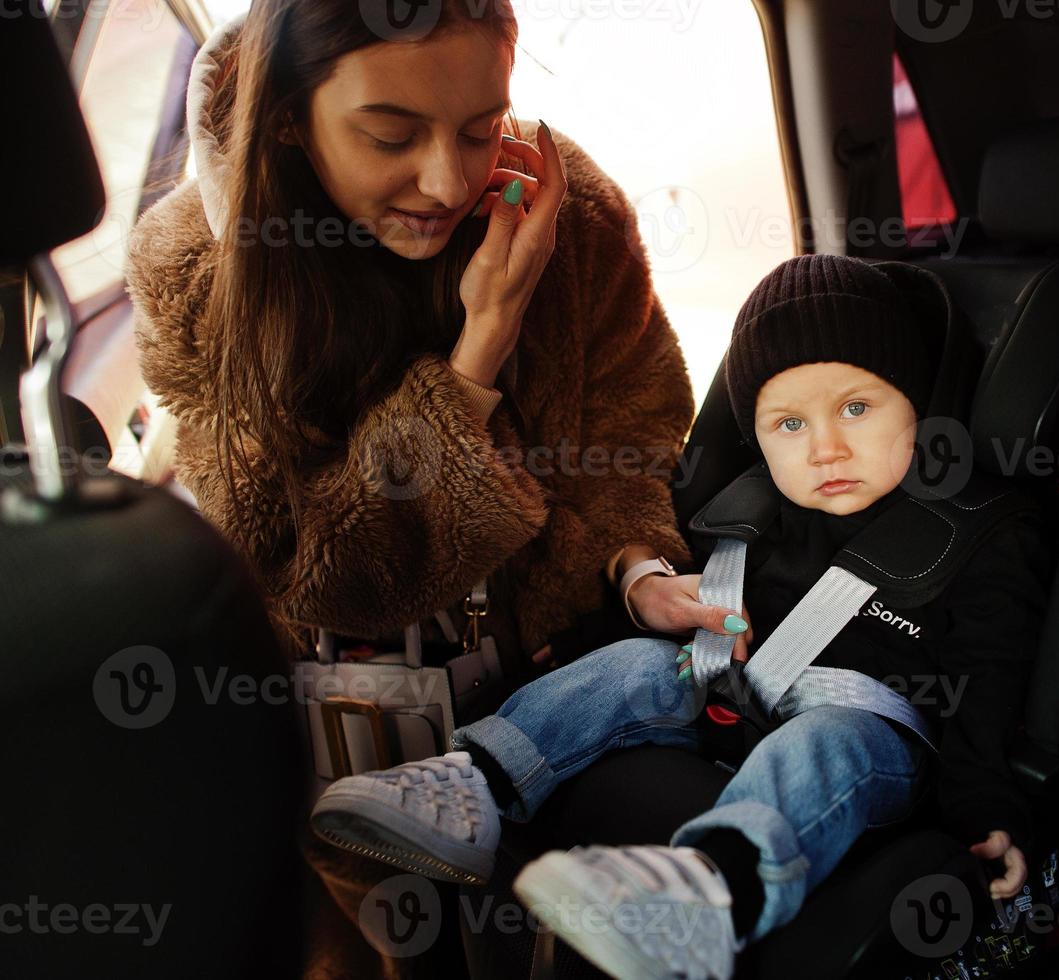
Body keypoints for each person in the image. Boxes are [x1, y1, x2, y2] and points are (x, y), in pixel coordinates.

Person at [124, 3, 749, 976]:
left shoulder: (566, 210)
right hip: (344, 721)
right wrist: (479, 351)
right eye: (391, 134)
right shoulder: (197, 270)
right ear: (289, 115)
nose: (448, 180)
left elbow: (632, 428)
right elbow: (314, 569)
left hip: (546, 678)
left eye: (479, 125)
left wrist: (638, 564)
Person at [310, 254, 1052, 979]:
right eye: (786, 425)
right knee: (638, 663)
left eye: (856, 409)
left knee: (830, 738)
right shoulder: (751, 506)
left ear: (918, 402)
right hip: (731, 694)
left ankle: (710, 888)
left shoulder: (979, 533)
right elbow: (677, 604)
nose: (825, 448)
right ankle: (474, 785)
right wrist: (577, 644)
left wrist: (985, 805)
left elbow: (990, 677)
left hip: (871, 736)